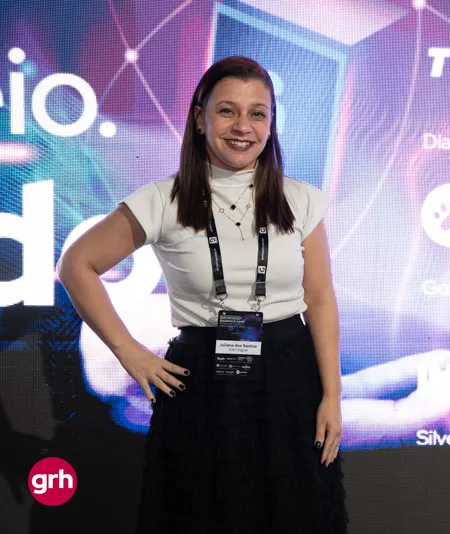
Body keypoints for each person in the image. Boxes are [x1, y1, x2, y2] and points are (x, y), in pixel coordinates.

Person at [57, 56, 348, 532]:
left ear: (271, 123)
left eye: (258, 113)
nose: (243, 127)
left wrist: (332, 395)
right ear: (199, 117)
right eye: (227, 111)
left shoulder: (301, 200)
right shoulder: (162, 200)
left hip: (290, 373)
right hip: (201, 382)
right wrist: (129, 351)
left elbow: (318, 299)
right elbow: (76, 265)